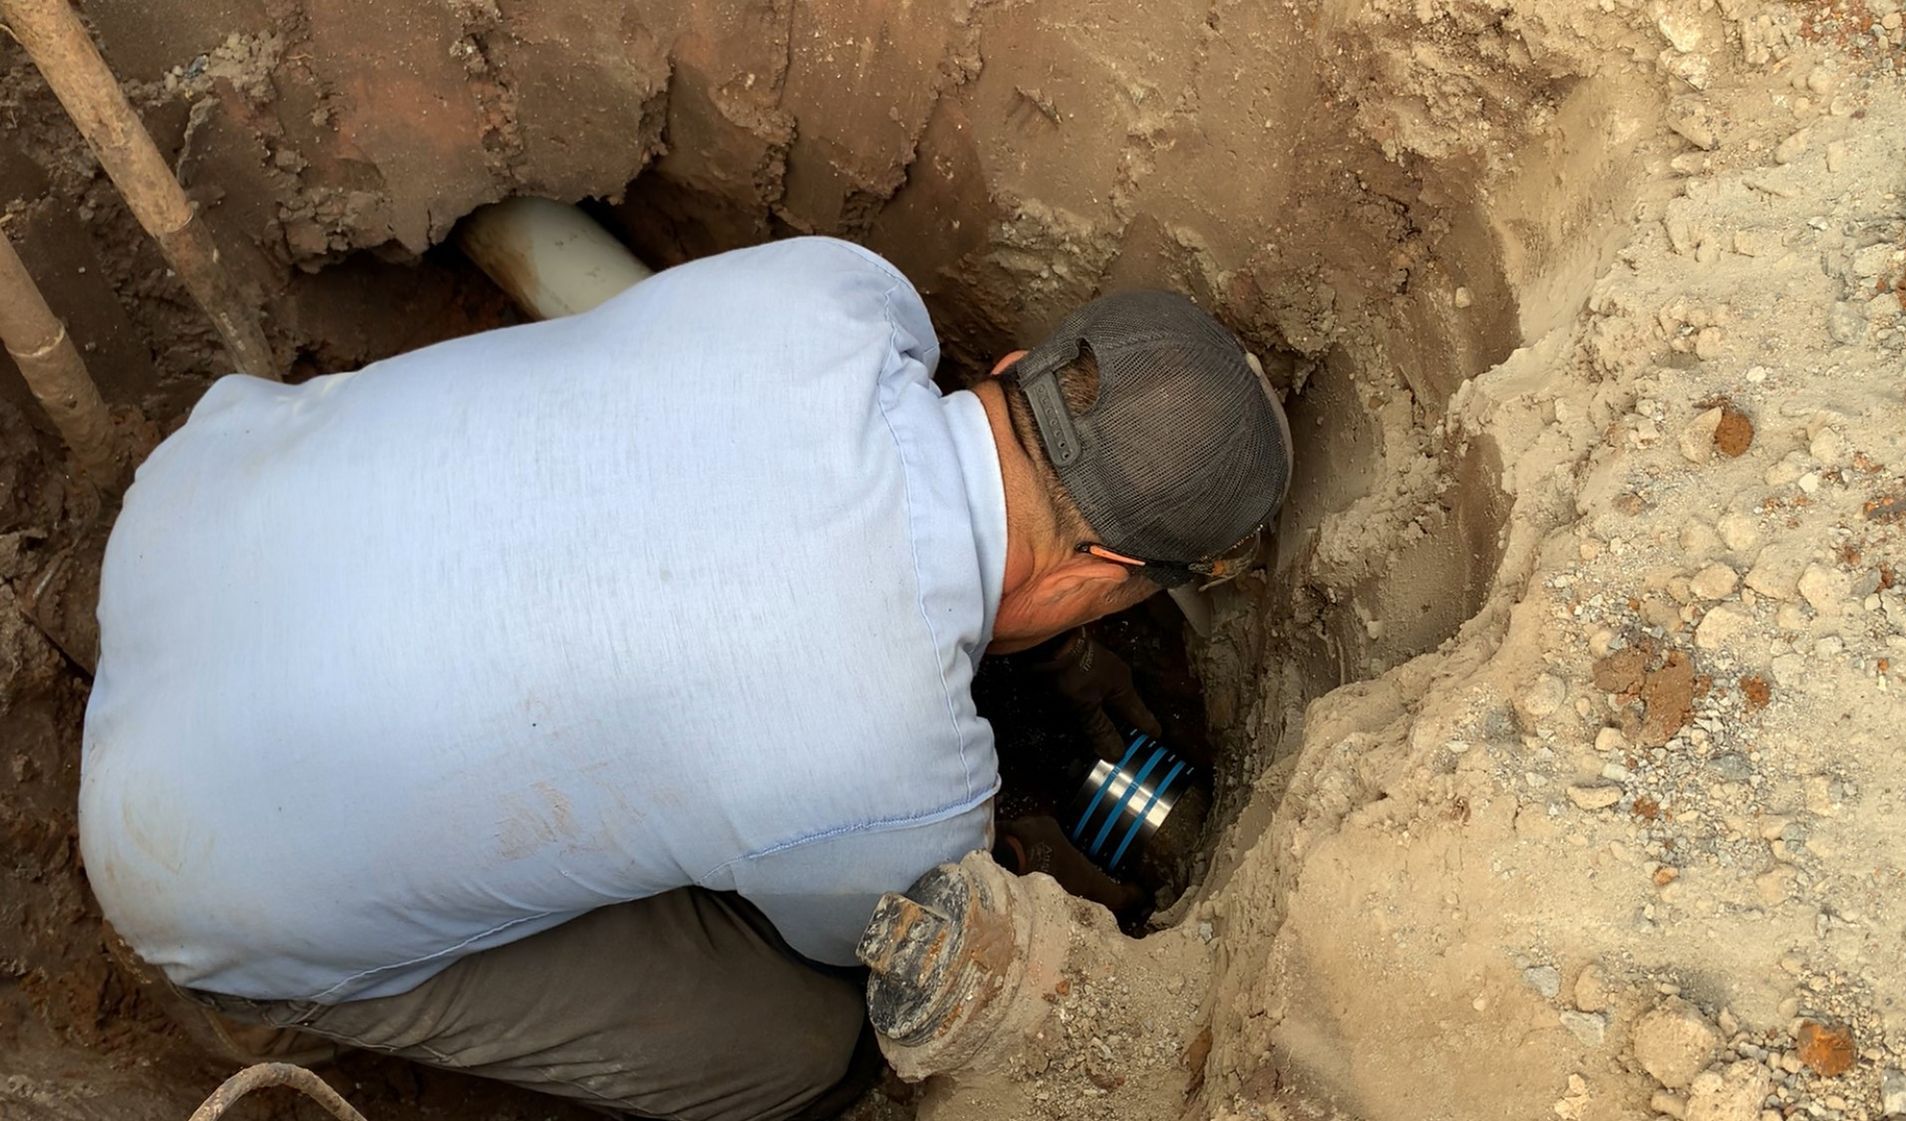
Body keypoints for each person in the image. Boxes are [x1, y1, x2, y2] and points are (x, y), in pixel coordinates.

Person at [78, 237, 1291, 1121]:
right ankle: (278, 988)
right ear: (1111, 571)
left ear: (1025, 361)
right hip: (188, 873)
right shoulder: (895, 792)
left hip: (189, 516)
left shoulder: (844, 288)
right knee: (809, 1040)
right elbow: (856, 946)